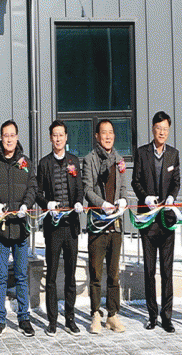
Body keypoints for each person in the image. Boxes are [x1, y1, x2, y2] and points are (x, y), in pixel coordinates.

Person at [0, 120, 36, 338]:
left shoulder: (25, 162)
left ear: (17, 137)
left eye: (13, 135)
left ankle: (24, 318)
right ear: (1, 137)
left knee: (21, 276)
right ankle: (0, 319)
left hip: (20, 228)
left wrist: (26, 205)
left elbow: (32, 187)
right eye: (6, 135)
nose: (9, 139)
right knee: (1, 276)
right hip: (1, 231)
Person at [132, 111, 180, 333]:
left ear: (168, 130)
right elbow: (135, 181)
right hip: (149, 221)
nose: (162, 132)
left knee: (167, 271)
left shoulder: (173, 154)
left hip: (167, 220)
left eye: (165, 129)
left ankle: (167, 316)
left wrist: (171, 197)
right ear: (153, 129)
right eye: (158, 128)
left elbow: (176, 181)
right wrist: (145, 198)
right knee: (149, 270)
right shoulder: (142, 153)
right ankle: (152, 315)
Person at [36, 120, 84, 336]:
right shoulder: (44, 163)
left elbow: (80, 188)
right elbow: (38, 193)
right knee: (52, 275)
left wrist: (79, 202)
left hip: (71, 226)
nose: (58, 138)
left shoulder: (74, 161)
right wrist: (47, 204)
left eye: (61, 135)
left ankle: (70, 319)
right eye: (54, 135)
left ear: (66, 137)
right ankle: (52, 320)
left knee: (71, 275)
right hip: (53, 228)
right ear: (50, 138)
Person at [83, 119, 127, 333]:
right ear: (97, 136)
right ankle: (95, 314)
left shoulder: (119, 159)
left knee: (113, 273)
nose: (108, 136)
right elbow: (87, 190)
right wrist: (102, 204)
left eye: (111, 132)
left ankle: (112, 315)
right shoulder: (89, 159)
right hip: (97, 225)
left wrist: (123, 200)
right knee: (95, 273)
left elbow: (123, 187)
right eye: (104, 132)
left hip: (115, 226)